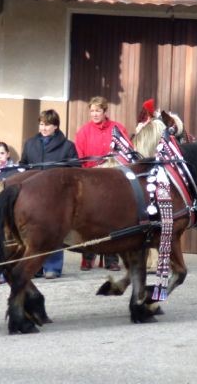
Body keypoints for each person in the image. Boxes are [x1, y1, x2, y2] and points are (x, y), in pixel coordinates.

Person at [19, 109, 79, 279]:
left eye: (48, 125)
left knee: (54, 232)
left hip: (56, 197)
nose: (43, 128)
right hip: (32, 196)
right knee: (33, 233)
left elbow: (76, 171)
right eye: (41, 124)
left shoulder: (68, 146)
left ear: (56, 127)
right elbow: (23, 164)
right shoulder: (30, 144)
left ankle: (53, 267)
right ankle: (36, 266)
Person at [74, 96, 130, 272]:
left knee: (112, 220)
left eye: (98, 110)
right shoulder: (83, 132)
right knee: (88, 220)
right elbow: (79, 157)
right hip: (91, 181)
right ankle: (88, 256)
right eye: (92, 111)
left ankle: (111, 258)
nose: (95, 114)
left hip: (113, 181)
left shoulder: (118, 129)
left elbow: (127, 152)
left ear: (105, 112)